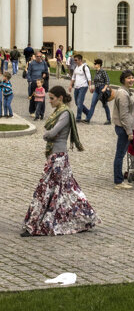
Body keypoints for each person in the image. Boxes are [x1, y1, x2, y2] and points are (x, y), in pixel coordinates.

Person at [21, 85, 100, 236]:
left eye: (52, 98)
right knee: (65, 189)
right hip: (55, 155)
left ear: (60, 98)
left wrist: (46, 135)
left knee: (48, 189)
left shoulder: (65, 113)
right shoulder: (59, 111)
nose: (49, 101)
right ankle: (82, 216)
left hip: (59, 157)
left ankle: (40, 223)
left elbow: (53, 132)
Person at [112, 70, 134, 189]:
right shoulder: (122, 94)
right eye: (128, 78)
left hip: (124, 127)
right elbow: (124, 115)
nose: (131, 80)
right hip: (123, 128)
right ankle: (118, 181)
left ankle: (119, 179)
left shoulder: (125, 92)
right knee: (120, 155)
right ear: (123, 80)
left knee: (120, 154)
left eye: (132, 77)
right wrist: (129, 131)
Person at [86, 59, 111, 124]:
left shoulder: (103, 71)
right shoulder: (96, 72)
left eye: (95, 64)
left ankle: (109, 120)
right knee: (92, 104)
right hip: (96, 90)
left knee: (105, 105)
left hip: (102, 89)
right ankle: (88, 119)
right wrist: (93, 88)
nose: (94, 65)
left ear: (98, 64)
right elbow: (96, 82)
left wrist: (105, 88)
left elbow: (107, 80)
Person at [26, 50, 49, 115]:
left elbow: (46, 71)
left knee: (42, 98)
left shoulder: (44, 63)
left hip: (41, 83)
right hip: (34, 82)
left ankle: (41, 112)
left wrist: (45, 74)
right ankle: (32, 111)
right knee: (33, 97)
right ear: (35, 57)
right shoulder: (32, 63)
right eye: (37, 56)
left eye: (40, 56)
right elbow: (28, 73)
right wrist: (30, 81)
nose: (39, 57)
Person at [69, 53, 91, 122]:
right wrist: (70, 85)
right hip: (76, 87)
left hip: (83, 86)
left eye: (76, 60)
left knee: (79, 102)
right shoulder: (76, 67)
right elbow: (73, 77)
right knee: (77, 103)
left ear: (80, 60)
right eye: (74, 60)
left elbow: (89, 78)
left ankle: (78, 118)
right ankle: (88, 113)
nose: (74, 61)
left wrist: (90, 86)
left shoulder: (85, 67)